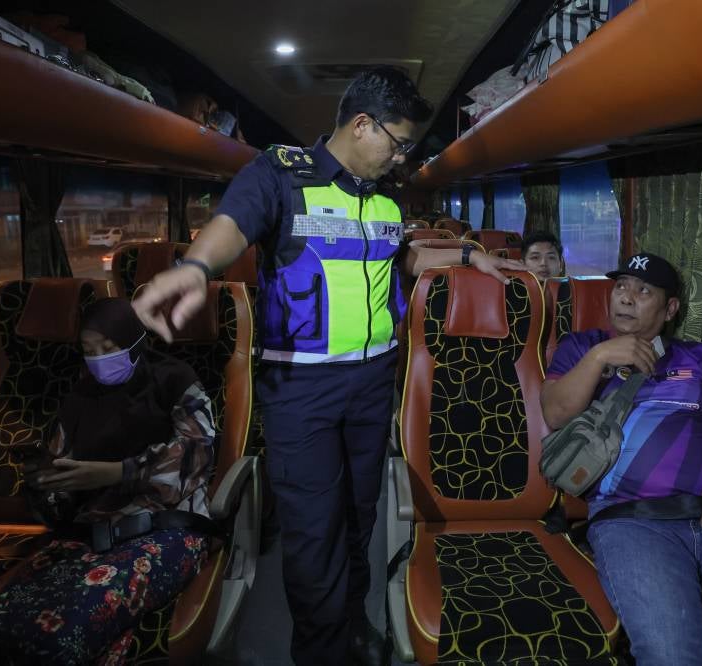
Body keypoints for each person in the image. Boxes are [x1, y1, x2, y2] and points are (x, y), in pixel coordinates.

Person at [132, 67, 525, 665]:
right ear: (362, 125)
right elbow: (235, 222)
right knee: (314, 534)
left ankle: (350, 624)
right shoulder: (282, 176)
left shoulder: (383, 200)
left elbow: (405, 253)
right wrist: (195, 268)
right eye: (396, 143)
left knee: (357, 520)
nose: (400, 159)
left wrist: (470, 254)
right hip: (302, 388)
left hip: (373, 382)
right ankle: (322, 652)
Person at [540, 252, 702, 666]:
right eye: (621, 287)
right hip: (631, 522)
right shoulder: (582, 346)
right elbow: (555, 412)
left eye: (644, 290)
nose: (627, 298)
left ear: (670, 309)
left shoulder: (697, 358)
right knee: (674, 654)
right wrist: (601, 358)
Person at [0, 298, 216, 664]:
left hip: (165, 526)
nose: (98, 360)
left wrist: (120, 472)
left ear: (134, 341)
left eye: (109, 349)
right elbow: (57, 497)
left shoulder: (175, 382)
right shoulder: (80, 398)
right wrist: (48, 483)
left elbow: (196, 457)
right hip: (87, 531)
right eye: (88, 351)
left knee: (65, 632)